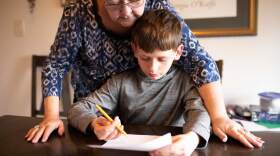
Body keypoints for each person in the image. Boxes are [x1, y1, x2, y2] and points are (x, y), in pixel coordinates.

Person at [25, 0, 264, 149]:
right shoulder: (78, 13)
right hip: (100, 118)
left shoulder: (161, 11)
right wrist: (53, 116)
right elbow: (56, 66)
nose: (125, 12)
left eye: (135, 1)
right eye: (114, 2)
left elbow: (200, 63)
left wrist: (218, 118)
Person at [68, 9, 211, 156]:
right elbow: (77, 110)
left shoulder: (186, 81)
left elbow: (199, 112)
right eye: (145, 58)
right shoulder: (120, 82)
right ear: (135, 50)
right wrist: (93, 124)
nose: (153, 68)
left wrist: (192, 139)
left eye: (162, 59)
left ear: (178, 52)